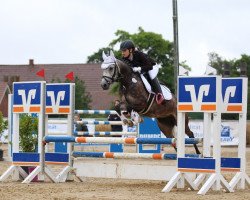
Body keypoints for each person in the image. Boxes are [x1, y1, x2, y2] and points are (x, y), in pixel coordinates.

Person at [120, 40, 164, 105]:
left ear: (131, 50)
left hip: (151, 67)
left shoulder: (139, 55)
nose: (122, 53)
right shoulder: (124, 59)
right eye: (122, 51)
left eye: (124, 51)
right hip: (140, 70)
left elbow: (149, 67)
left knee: (151, 75)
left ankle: (159, 94)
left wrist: (139, 68)